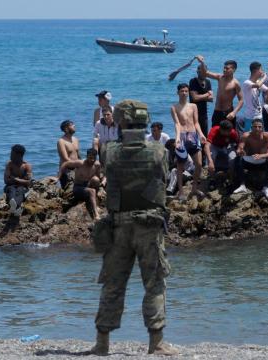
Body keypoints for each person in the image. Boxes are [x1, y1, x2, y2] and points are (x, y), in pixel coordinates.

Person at [91, 99, 176, 356]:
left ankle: (102, 343)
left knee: (113, 284)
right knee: (154, 283)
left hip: (118, 225)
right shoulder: (159, 150)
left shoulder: (109, 150)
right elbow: (163, 174)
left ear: (121, 121)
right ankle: (156, 343)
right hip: (148, 226)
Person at [171, 83, 206, 200]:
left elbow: (196, 122)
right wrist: (176, 138)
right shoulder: (174, 107)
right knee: (180, 167)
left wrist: (201, 134)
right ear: (178, 93)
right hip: (182, 137)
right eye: (182, 91)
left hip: (193, 136)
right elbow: (177, 124)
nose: (184, 93)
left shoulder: (193, 106)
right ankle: (181, 192)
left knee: (199, 164)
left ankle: (194, 188)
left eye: (186, 91)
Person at [195, 55, 244, 129]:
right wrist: (202, 62)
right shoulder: (220, 77)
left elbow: (241, 100)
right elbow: (205, 73)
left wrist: (234, 112)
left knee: (229, 135)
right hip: (217, 112)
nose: (224, 70)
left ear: (233, 70)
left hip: (228, 113)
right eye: (224, 68)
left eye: (227, 68)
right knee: (215, 134)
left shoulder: (235, 83)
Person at [233, 119, 268, 200]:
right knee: (237, 159)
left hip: (261, 163)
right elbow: (239, 148)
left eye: (259, 127)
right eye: (255, 127)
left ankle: (266, 187)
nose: (257, 129)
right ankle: (242, 185)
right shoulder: (246, 135)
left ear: (262, 127)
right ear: (251, 127)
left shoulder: (267, 136)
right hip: (249, 162)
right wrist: (240, 151)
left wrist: (262, 155)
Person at [58, 149, 104, 218]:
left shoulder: (97, 165)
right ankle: (96, 214)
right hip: (77, 188)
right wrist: (58, 177)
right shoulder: (80, 163)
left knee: (96, 180)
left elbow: (98, 177)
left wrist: (103, 180)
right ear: (86, 156)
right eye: (90, 158)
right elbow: (65, 164)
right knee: (92, 191)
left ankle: (94, 200)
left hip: (87, 185)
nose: (92, 160)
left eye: (94, 158)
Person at [239, 61, 268, 134]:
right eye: (261, 69)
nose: (262, 71)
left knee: (260, 135)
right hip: (250, 116)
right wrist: (265, 77)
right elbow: (258, 85)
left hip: (259, 115)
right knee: (247, 135)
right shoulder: (247, 83)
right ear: (256, 70)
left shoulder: (258, 81)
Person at [3, 144, 33, 217]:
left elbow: (29, 182)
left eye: (12, 154)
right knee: (11, 190)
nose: (10, 156)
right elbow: (6, 181)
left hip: (22, 187)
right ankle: (15, 206)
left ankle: (16, 207)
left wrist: (15, 179)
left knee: (20, 190)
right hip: (10, 186)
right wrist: (21, 180)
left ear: (19, 155)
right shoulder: (9, 164)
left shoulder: (27, 166)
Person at [189, 65, 214, 137]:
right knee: (193, 134)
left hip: (204, 113)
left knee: (204, 134)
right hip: (193, 112)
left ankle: (203, 148)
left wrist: (200, 96)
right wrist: (207, 94)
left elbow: (211, 99)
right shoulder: (193, 81)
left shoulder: (208, 81)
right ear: (197, 72)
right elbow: (194, 98)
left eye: (204, 72)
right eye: (200, 72)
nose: (202, 73)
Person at [57, 120, 81, 189]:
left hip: (76, 168)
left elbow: (78, 154)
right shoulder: (61, 141)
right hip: (66, 170)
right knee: (67, 191)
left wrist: (83, 164)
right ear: (66, 129)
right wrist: (79, 163)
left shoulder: (76, 139)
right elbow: (65, 158)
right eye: (72, 125)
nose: (74, 126)